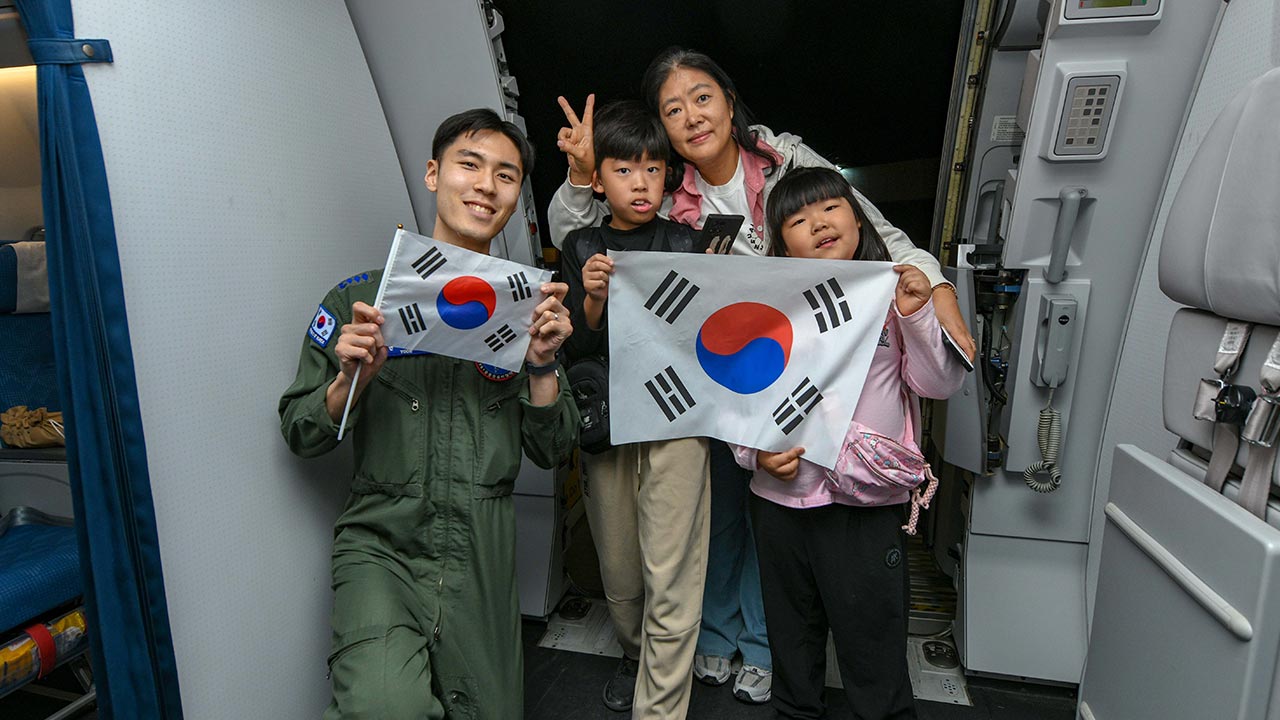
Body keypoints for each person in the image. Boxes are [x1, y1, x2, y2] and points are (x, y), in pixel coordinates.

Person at [550, 48, 974, 705]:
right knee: (723, 514)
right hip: (720, 373)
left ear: (728, 98)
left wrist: (937, 288)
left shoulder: (792, 167)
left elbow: (880, 235)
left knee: (770, 519)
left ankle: (760, 647)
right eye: (672, 109)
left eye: (701, 97)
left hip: (800, 369)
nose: (691, 116)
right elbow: (583, 238)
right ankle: (717, 639)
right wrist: (582, 177)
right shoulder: (671, 201)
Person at [278, 108, 579, 720]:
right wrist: (349, 381)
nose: (486, 185)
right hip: (382, 541)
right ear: (434, 174)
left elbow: (553, 450)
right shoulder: (359, 300)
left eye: (506, 175)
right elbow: (302, 433)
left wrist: (543, 364)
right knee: (382, 706)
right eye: (470, 165)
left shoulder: (527, 310)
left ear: (517, 194)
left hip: (482, 548)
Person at [733, 166, 966, 719]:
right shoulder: (765, 310)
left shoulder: (893, 296)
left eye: (831, 208)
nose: (818, 223)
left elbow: (939, 384)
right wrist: (754, 454)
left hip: (865, 506)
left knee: (873, 646)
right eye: (797, 218)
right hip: (779, 503)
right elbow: (738, 398)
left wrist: (918, 317)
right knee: (791, 640)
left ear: (857, 218)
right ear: (779, 243)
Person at [559, 100, 712, 719]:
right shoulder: (581, 244)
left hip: (676, 421)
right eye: (625, 170)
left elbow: (709, 335)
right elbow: (577, 345)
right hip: (608, 426)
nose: (641, 182)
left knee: (672, 569)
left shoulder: (690, 243)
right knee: (621, 571)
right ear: (599, 180)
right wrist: (592, 301)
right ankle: (635, 653)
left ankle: (661, 705)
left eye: (653, 169)